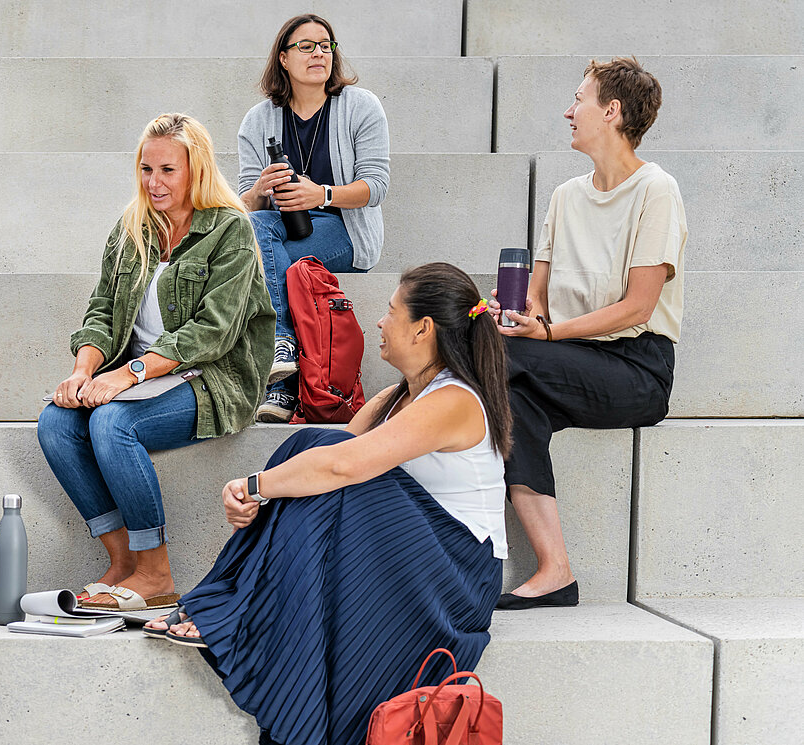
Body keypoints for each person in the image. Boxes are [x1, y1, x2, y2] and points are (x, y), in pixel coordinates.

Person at [147, 263, 510, 745]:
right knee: (313, 446)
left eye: (390, 311)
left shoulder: (455, 401)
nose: (379, 322)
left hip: (457, 576)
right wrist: (259, 492)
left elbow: (343, 468)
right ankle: (232, 606)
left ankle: (236, 609)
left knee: (339, 472)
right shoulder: (396, 397)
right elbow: (324, 457)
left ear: (423, 328)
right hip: (412, 558)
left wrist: (255, 487)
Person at [36, 113, 274, 611]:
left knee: (112, 423)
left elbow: (215, 331)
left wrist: (130, 373)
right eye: (147, 169)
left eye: (168, 170)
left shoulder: (229, 229)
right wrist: (83, 371)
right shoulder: (132, 228)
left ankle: (157, 571)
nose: (154, 182)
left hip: (212, 377)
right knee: (56, 423)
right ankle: (123, 563)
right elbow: (101, 310)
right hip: (141, 375)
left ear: (196, 170)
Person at [492, 57, 686, 610]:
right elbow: (538, 294)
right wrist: (521, 315)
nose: (568, 110)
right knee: (509, 403)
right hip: (567, 357)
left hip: (636, 368)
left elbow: (638, 306)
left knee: (500, 358)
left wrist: (545, 335)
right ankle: (556, 571)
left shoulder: (657, 189)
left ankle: (394, 416)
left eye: (579, 99)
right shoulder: (565, 195)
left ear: (612, 111)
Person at [237, 13, 390, 422]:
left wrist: (319, 193)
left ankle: (279, 351)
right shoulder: (258, 119)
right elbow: (244, 204)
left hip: (344, 231)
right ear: (284, 59)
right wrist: (261, 189)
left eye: (326, 45)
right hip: (280, 227)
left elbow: (376, 186)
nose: (319, 53)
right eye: (306, 46)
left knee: (275, 263)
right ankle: (285, 380)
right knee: (257, 232)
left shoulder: (360, 106)